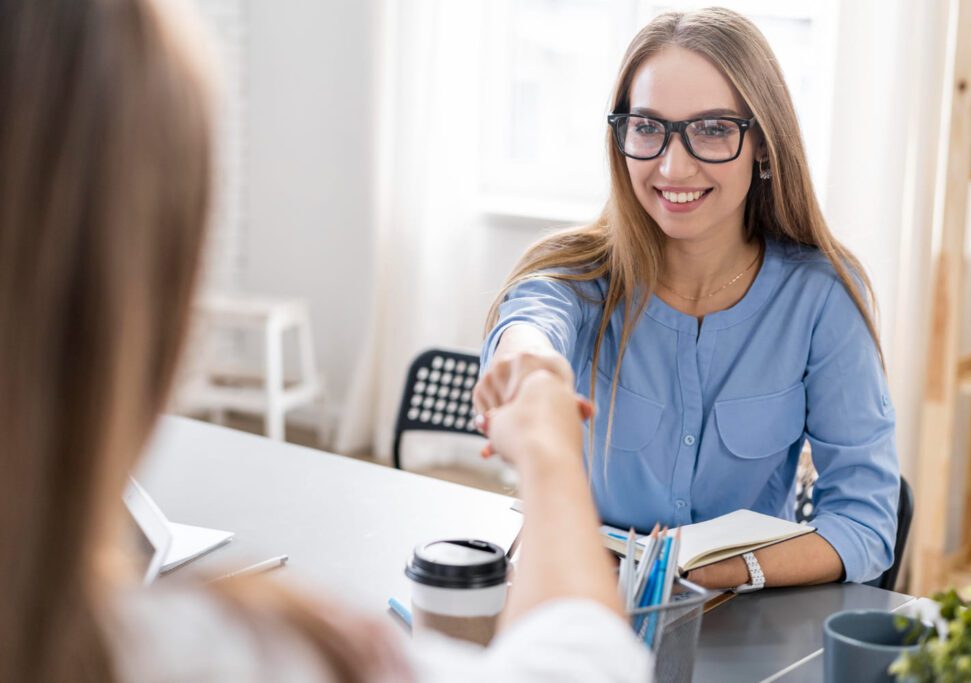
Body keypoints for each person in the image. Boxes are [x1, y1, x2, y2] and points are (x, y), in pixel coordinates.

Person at [0, 1, 651, 681]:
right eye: (645, 129)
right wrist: (549, 450)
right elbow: (587, 664)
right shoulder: (212, 652)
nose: (672, 162)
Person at [474, 8, 900, 590]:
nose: (673, 166)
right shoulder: (577, 274)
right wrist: (531, 363)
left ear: (764, 144)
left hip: (747, 619)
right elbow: (531, 320)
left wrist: (699, 571)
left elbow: (865, 524)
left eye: (713, 129)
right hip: (584, 605)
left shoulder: (822, 295)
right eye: (648, 127)